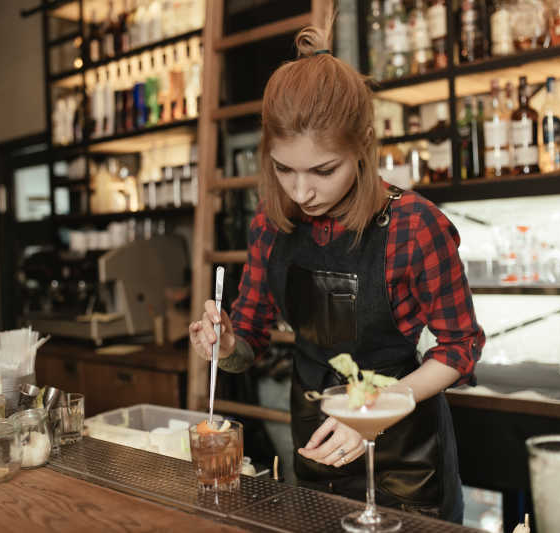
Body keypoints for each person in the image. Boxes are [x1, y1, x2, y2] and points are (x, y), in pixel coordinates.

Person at [188, 23, 485, 524]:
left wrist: (374, 411)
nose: (301, 191)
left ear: (363, 145)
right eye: (284, 169)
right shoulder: (270, 224)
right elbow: (249, 345)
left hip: (406, 470)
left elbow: (461, 348)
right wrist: (224, 345)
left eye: (323, 171)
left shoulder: (413, 227)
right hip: (314, 451)